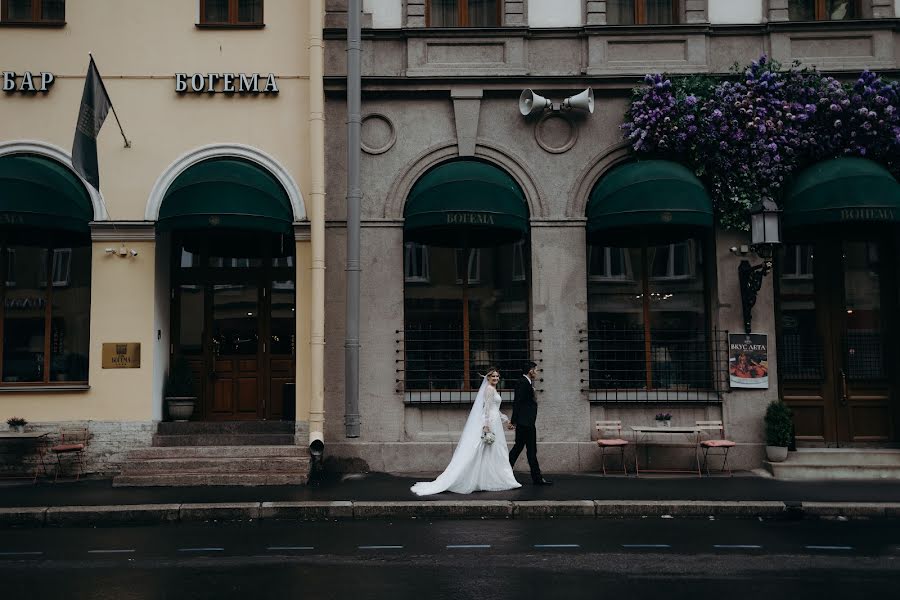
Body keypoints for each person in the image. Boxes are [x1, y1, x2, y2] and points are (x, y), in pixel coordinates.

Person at [410, 367, 521, 495]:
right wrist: (486, 425)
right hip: (490, 423)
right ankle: (491, 479)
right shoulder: (489, 389)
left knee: (492, 451)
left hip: (495, 421)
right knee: (487, 450)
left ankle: (489, 479)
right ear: (488, 378)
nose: (496, 378)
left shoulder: (492, 389)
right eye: (493, 376)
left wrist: (506, 420)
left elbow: (494, 409)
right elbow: (486, 409)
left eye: (497, 376)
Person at [508, 361, 552, 485]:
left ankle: (537, 478)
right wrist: (513, 421)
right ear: (530, 371)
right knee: (521, 449)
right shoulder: (522, 382)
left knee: (529, 450)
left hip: (528, 422)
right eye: (536, 370)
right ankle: (504, 473)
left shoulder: (528, 382)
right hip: (524, 423)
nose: (537, 372)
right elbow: (517, 402)